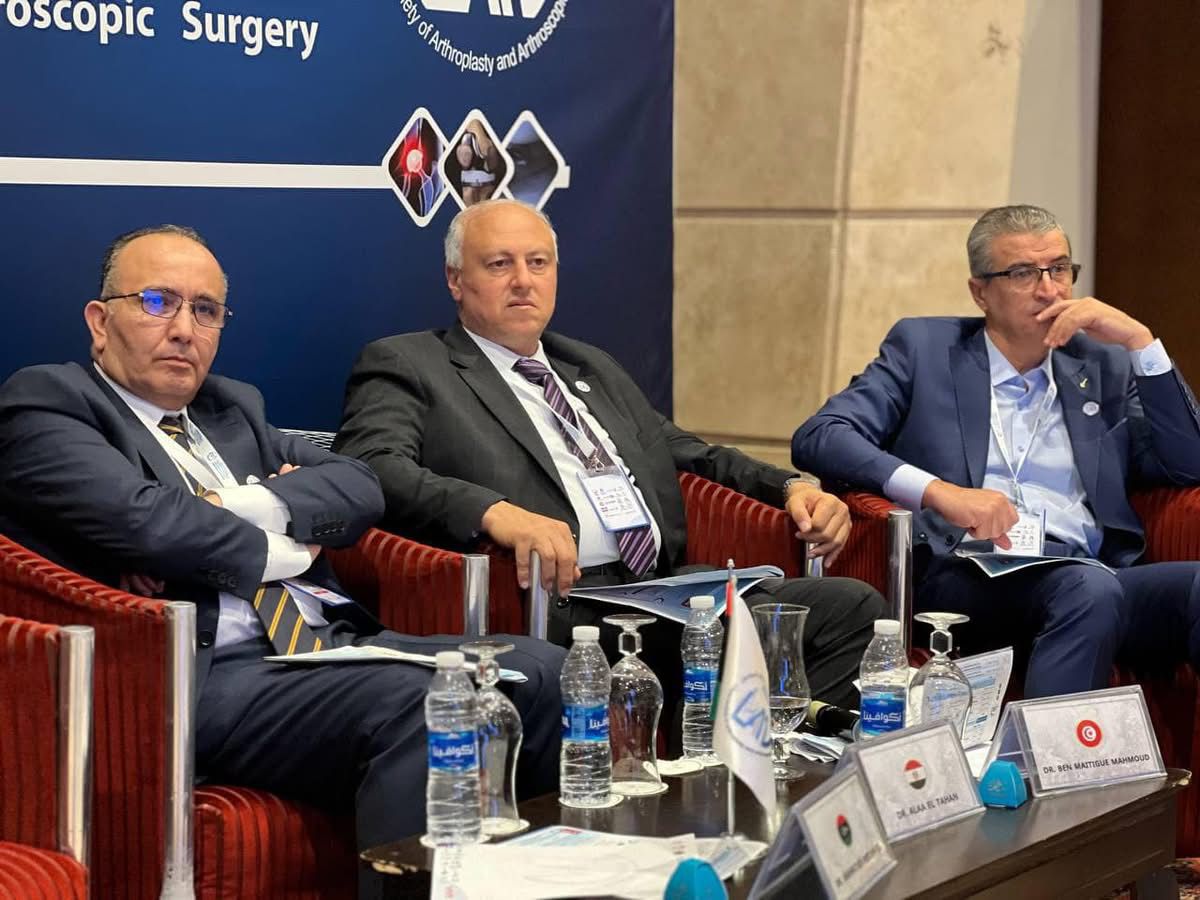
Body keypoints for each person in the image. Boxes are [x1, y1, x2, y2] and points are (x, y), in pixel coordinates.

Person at [0, 225, 565, 881]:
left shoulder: (231, 408)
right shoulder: (50, 403)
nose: (183, 329)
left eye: (205, 310)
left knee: (545, 671)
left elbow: (360, 485)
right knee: (430, 702)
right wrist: (290, 543)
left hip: (324, 644)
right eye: (157, 302)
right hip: (196, 676)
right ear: (101, 321)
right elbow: (148, 522)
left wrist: (231, 506)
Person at [333, 199, 883, 716]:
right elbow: (370, 464)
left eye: (538, 263)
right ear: (456, 279)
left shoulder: (587, 365)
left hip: (666, 590)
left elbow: (688, 451)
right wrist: (494, 512)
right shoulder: (409, 364)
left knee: (850, 608)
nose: (523, 280)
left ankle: (772, 760)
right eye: (499, 264)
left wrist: (791, 487)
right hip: (559, 604)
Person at [792, 204, 1200, 698]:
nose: (1049, 290)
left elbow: (1188, 465)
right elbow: (823, 435)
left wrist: (1140, 342)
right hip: (966, 576)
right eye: (1023, 273)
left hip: (1094, 575)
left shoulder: (1104, 365)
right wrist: (940, 493)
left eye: (1059, 269)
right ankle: (1045, 752)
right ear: (980, 291)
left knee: (1134, 588)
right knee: (1086, 590)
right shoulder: (924, 349)